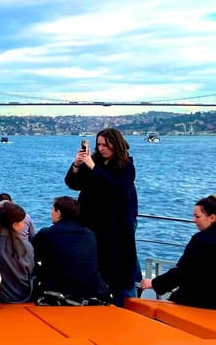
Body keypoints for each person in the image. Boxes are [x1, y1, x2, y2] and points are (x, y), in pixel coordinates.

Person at [65, 128, 140, 304]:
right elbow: (73, 183)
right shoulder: (94, 161)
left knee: (119, 266)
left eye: (105, 145)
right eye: (99, 145)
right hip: (90, 223)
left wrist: (92, 166)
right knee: (94, 264)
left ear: (115, 144)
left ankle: (125, 302)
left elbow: (116, 187)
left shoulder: (126, 166)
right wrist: (76, 165)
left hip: (116, 225)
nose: (101, 148)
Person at [32, 196, 110, 303]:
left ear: (58, 213)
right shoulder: (89, 234)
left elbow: (30, 257)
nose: (51, 213)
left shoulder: (47, 234)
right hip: (93, 291)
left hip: (61, 291)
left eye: (52, 210)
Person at [0, 201, 35, 303]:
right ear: (14, 225)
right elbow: (30, 271)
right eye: (22, 222)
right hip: (23, 295)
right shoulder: (25, 247)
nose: (24, 225)